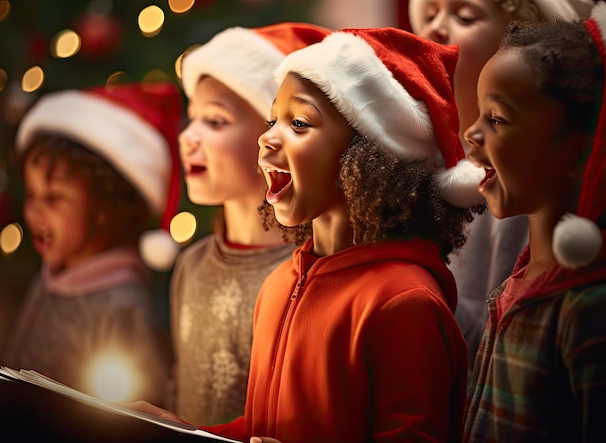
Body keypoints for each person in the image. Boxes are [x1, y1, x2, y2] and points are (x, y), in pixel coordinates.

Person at [174, 25, 492, 442]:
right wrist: (175, 429)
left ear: (368, 157)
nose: (268, 137)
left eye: (300, 123)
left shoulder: (405, 302)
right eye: (273, 119)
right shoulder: (277, 285)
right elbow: (261, 429)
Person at [407, 0, 590, 367]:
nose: (436, 29)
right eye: (429, 15)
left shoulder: (515, 188)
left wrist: (411, 280)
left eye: (465, 16)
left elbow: (496, 343)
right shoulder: (424, 165)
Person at [166, 22, 332, 426]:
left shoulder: (305, 276)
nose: (189, 136)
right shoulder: (191, 266)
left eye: (215, 121)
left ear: (271, 135)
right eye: (192, 119)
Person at [462, 5, 606, 440]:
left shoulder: (588, 308)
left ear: (581, 150)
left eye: (498, 119)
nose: (472, 133)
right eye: (479, 113)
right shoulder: (515, 285)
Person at [4, 81, 183, 405]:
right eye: (31, 195)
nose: (34, 210)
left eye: (54, 197)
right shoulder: (49, 276)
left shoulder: (120, 306)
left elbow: (141, 410)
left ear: (104, 210)